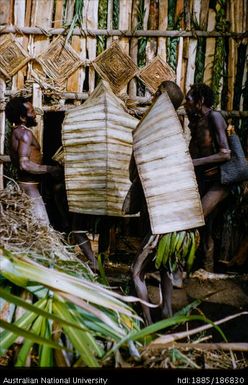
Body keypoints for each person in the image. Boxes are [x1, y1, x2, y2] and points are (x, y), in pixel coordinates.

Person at [123, 81, 185, 325]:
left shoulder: (147, 129)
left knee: (136, 272)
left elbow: (133, 173)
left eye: (154, 94)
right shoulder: (176, 132)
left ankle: (147, 324)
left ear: (159, 97)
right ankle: (167, 311)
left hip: (156, 215)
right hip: (175, 215)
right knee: (166, 264)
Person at [184, 83, 231, 271]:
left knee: (193, 220)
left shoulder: (215, 117)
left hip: (219, 183)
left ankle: (178, 273)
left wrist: (194, 163)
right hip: (203, 181)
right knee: (205, 227)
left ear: (200, 100)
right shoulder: (197, 120)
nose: (185, 104)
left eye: (188, 100)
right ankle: (205, 270)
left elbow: (225, 153)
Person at [5, 96, 61, 225]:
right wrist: (51, 169)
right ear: (22, 118)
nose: (35, 114)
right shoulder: (25, 134)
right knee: (43, 228)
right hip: (30, 190)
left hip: (25, 187)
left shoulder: (15, 133)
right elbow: (24, 164)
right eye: (31, 111)